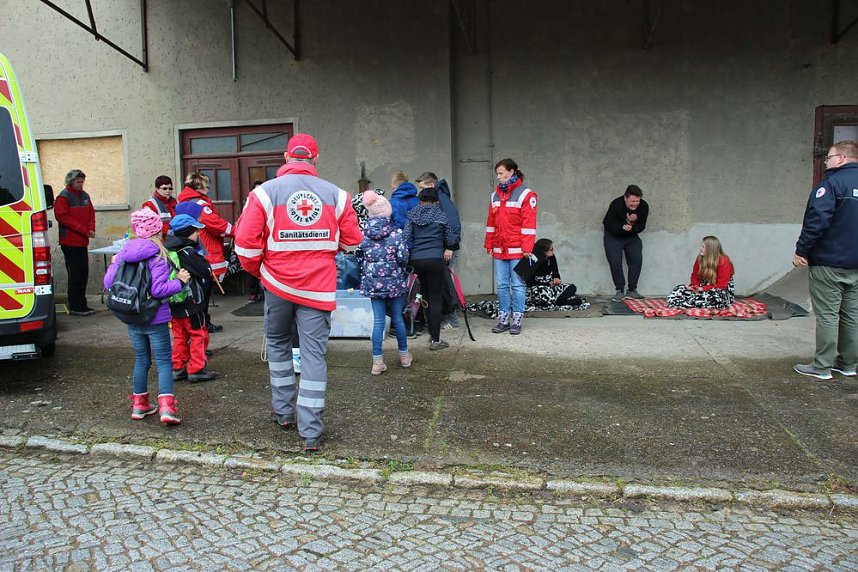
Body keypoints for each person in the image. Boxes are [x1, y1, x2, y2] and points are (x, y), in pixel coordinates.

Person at [234, 133, 363, 453]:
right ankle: (311, 432)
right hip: (318, 291)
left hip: (277, 286)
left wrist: (261, 272)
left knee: (277, 344)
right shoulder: (338, 196)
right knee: (314, 356)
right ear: (315, 159)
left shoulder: (263, 193)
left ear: (286, 156)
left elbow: (244, 245)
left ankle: (283, 413)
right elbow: (353, 242)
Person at [103, 209, 190, 425]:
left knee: (141, 359)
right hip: (155, 317)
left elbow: (108, 284)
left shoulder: (122, 253)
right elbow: (159, 290)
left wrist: (114, 264)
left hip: (131, 315)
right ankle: (167, 408)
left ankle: (139, 404)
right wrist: (180, 280)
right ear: (158, 230)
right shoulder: (158, 255)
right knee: (162, 361)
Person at [792, 140, 858, 381]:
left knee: (828, 315)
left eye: (829, 158)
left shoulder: (831, 184)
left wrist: (801, 250)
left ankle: (822, 367)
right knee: (852, 315)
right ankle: (849, 363)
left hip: (829, 262)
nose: (827, 162)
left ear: (840, 158)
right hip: (856, 265)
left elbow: (817, 220)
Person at [358, 191, 411, 374]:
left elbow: (358, 258)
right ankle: (404, 357)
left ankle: (377, 362)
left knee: (378, 321)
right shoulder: (397, 234)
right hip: (395, 282)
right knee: (397, 319)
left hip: (373, 284)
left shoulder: (364, 235)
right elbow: (404, 258)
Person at [484, 158, 537, 335]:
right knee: (501, 285)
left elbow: (529, 225)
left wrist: (527, 249)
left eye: (501, 173)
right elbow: (491, 222)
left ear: (512, 172)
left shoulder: (526, 195)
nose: (498, 177)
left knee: (518, 285)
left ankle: (517, 320)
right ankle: (503, 319)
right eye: (497, 174)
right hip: (500, 249)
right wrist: (489, 243)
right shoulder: (495, 196)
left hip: (518, 250)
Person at [403, 186, 460, 350]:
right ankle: (435, 339)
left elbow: (406, 238)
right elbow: (451, 239)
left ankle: (430, 332)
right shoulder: (442, 216)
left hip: (417, 261)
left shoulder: (412, 215)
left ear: (420, 201)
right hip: (435, 260)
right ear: (436, 201)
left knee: (424, 296)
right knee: (436, 298)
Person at [178, 172, 234, 333]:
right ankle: (201, 326)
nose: (209, 188)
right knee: (202, 292)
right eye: (206, 185)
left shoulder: (184, 201)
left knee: (197, 292)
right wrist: (239, 231)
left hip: (194, 251)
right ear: (198, 186)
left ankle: (202, 323)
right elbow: (216, 225)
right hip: (205, 251)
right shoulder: (200, 204)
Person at [166, 214, 215, 383]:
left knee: (179, 336)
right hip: (192, 303)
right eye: (195, 231)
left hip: (173, 302)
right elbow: (205, 271)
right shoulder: (188, 252)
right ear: (187, 233)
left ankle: (178, 368)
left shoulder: (168, 250)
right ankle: (196, 368)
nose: (198, 234)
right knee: (198, 334)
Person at [416, 171, 462, 329]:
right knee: (440, 283)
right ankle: (443, 316)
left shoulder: (442, 199)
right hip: (439, 248)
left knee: (444, 283)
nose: (420, 191)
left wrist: (450, 247)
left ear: (431, 184)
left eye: (422, 187)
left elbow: (454, 224)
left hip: (445, 248)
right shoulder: (437, 199)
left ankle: (451, 317)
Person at [54, 169, 96, 316]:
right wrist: (83, 230)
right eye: (78, 182)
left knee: (83, 273)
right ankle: (75, 305)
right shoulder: (63, 197)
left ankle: (82, 304)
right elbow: (62, 217)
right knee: (75, 274)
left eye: (82, 182)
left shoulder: (85, 196)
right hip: (70, 242)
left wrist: (91, 228)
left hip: (82, 241)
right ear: (71, 182)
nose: (81, 185)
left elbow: (91, 213)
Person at [603, 184, 649, 302]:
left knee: (636, 259)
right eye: (632, 201)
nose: (635, 204)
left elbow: (642, 225)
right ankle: (619, 290)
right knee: (615, 261)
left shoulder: (643, 206)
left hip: (631, 236)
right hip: (613, 235)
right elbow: (609, 224)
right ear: (625, 198)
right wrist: (623, 226)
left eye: (637, 201)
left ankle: (632, 290)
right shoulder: (616, 204)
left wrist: (632, 226)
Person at [666, 236, 735, 309]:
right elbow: (695, 275)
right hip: (701, 288)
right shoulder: (700, 258)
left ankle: (687, 303)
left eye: (703, 247)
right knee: (679, 290)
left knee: (714, 297)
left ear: (710, 249)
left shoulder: (724, 261)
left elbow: (722, 285)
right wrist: (694, 287)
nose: (700, 249)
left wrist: (702, 289)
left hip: (719, 291)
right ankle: (689, 302)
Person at [526, 238, 579, 308]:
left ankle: (558, 301)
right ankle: (560, 301)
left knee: (572, 287)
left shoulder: (552, 258)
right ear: (543, 251)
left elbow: (556, 273)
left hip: (551, 288)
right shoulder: (532, 260)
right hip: (538, 289)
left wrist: (557, 279)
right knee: (541, 292)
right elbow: (530, 282)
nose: (552, 251)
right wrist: (547, 284)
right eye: (550, 249)